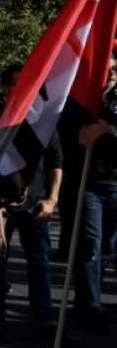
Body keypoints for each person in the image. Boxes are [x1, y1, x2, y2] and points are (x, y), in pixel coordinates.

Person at [0, 65, 74, 344]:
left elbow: (55, 161)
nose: (25, 88)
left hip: (35, 204)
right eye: (16, 83)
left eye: (30, 83)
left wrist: (52, 199)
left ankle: (46, 319)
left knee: (39, 263)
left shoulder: (44, 119)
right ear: (4, 88)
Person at [74, 114, 117, 335]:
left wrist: (104, 139)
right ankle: (89, 305)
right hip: (90, 186)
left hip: (114, 185)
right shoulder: (89, 104)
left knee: (106, 249)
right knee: (92, 245)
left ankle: (91, 299)